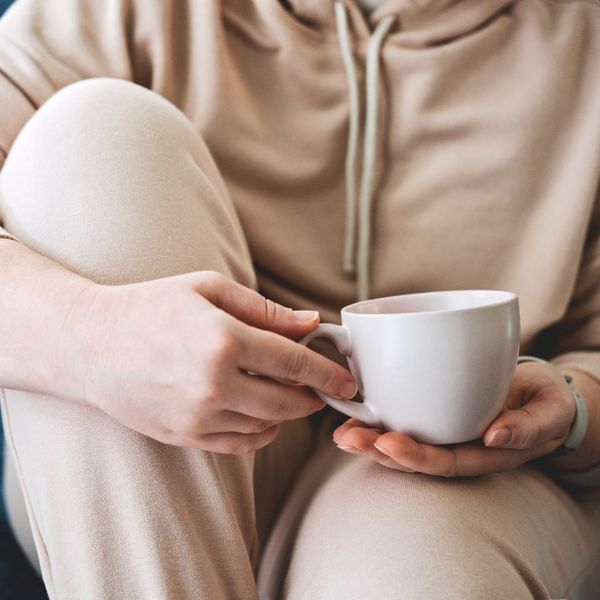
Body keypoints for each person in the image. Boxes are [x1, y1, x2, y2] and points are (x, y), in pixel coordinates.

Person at [0, 0, 599, 598]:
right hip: (137, 478)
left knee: (416, 568)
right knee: (92, 131)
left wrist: (572, 413)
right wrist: (87, 332)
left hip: (471, 475)